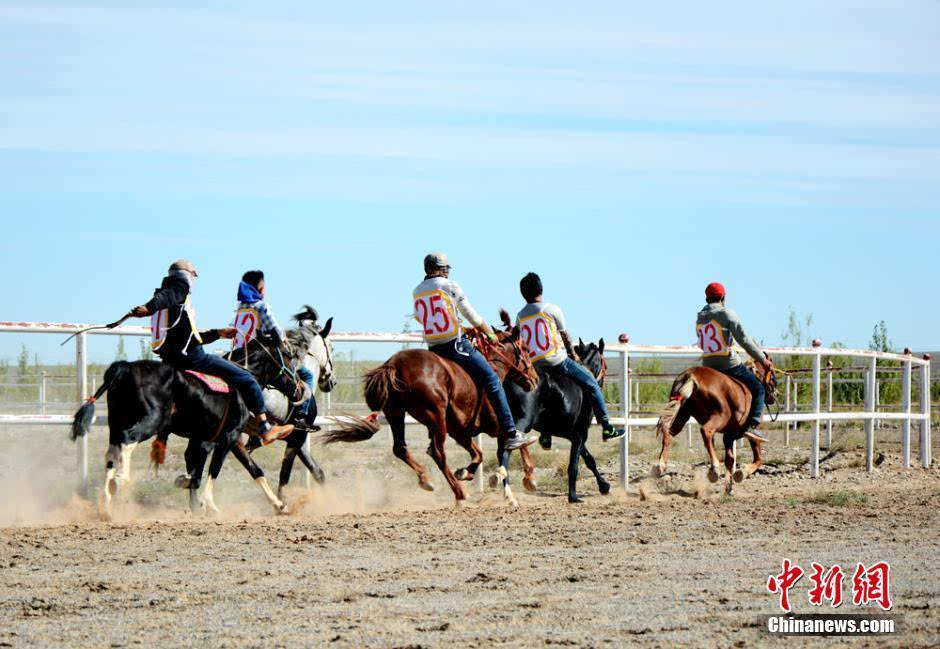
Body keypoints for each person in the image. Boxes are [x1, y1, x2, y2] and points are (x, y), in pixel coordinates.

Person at [127, 259, 294, 445]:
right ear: (187, 275)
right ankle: (265, 428)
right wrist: (148, 308)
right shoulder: (179, 288)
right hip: (193, 359)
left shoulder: (165, 300)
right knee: (247, 379)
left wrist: (218, 334)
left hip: (170, 360)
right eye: (193, 275)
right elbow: (171, 295)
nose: (193, 280)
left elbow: (188, 336)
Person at [413, 253, 535, 450]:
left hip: (433, 348)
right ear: (439, 268)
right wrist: (490, 333)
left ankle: (433, 439)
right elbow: (470, 314)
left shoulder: (417, 290)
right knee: (493, 380)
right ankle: (511, 432)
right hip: (455, 344)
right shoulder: (450, 285)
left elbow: (420, 317)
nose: (446, 272)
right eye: (445, 268)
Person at [515, 272, 624, 449]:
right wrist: (573, 355)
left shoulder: (520, 316)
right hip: (556, 361)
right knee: (592, 385)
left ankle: (545, 434)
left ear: (523, 294)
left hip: (535, 366)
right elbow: (565, 335)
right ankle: (607, 427)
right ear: (541, 289)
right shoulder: (552, 309)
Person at [234, 270, 316, 428]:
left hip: (240, 356)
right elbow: (277, 331)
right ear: (260, 288)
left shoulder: (241, 307)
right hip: (260, 358)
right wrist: (285, 345)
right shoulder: (261, 306)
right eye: (264, 287)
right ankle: (302, 415)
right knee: (307, 375)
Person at [696, 282, 773, 441]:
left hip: (708, 365)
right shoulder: (727, 314)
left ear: (706, 298)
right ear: (723, 297)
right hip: (728, 364)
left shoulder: (700, 317)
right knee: (758, 389)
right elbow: (744, 340)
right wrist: (762, 359)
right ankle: (753, 426)